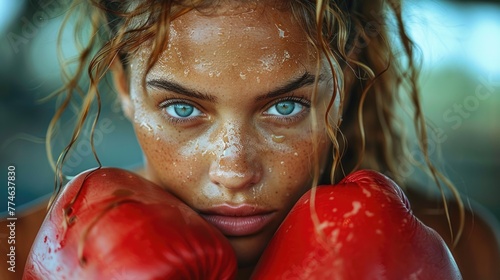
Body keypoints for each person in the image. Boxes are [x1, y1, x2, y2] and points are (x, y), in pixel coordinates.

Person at [2, 0, 499, 279]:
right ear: (123, 88)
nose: (235, 171)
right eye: (182, 108)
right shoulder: (14, 251)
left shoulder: (462, 247)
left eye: (285, 107)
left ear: (344, 83)